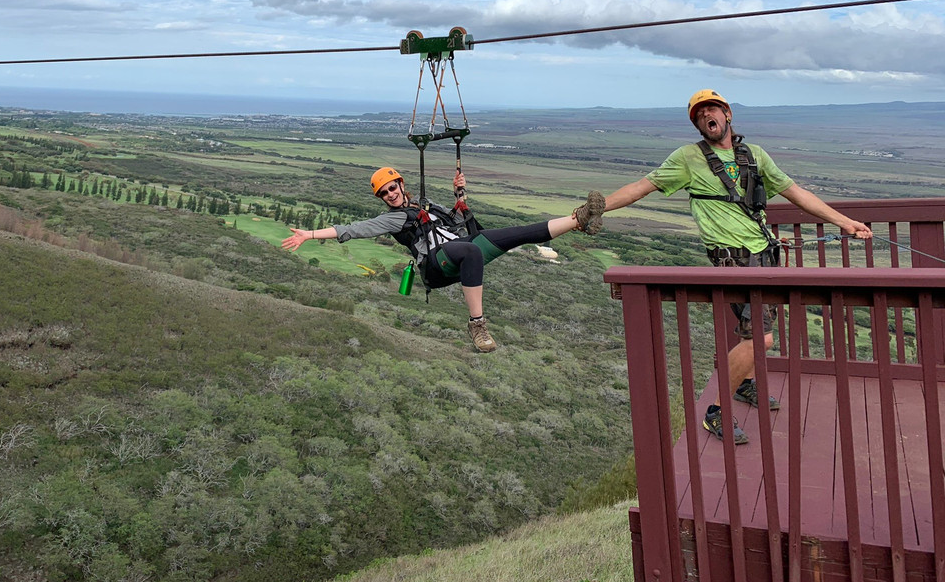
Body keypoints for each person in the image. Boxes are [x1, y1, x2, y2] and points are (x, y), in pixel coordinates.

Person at [587, 89, 872, 444]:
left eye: (713, 109)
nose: (708, 116)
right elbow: (641, 188)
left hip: (764, 251)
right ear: (697, 124)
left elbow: (796, 192)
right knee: (762, 336)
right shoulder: (687, 158)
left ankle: (746, 384)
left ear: (728, 115)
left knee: (755, 329)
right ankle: (716, 411)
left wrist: (844, 222)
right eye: (700, 113)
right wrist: (598, 208)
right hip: (732, 258)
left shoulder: (754, 156)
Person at [282, 167, 605, 353]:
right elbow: (353, 229)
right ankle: (477, 325)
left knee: (517, 233)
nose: (390, 195)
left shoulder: (426, 204)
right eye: (384, 193)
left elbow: (452, 223)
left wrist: (460, 198)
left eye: (392, 188)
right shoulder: (393, 219)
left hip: (458, 246)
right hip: (436, 267)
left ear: (401, 184)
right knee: (471, 250)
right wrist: (309, 235)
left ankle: (580, 220)